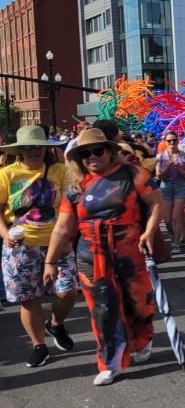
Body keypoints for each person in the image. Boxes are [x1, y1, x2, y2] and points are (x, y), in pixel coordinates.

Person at [43, 128, 162, 385]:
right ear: (79, 159)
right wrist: (50, 261)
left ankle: (142, 340)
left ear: (110, 151)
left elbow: (155, 203)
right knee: (103, 308)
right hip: (90, 253)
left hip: (130, 248)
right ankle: (110, 362)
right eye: (85, 154)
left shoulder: (133, 174)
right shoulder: (75, 186)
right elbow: (63, 227)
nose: (92, 156)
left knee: (138, 301)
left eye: (98, 150)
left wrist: (149, 232)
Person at [0, 125, 75, 367]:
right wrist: (5, 235)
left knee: (68, 292)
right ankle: (38, 345)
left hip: (58, 244)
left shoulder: (60, 171)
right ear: (20, 150)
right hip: (21, 247)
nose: (35, 151)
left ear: (46, 148)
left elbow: (74, 207)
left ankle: (55, 325)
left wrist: (69, 238)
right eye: (29, 147)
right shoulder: (6, 174)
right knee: (28, 299)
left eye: (39, 146)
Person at [156, 131, 185, 251]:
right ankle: (175, 235)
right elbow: (159, 176)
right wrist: (167, 167)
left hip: (180, 185)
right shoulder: (160, 157)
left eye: (174, 140)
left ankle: (176, 244)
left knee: (176, 217)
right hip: (166, 186)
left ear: (178, 141)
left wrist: (178, 168)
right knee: (167, 220)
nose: (172, 143)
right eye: (169, 141)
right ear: (165, 142)